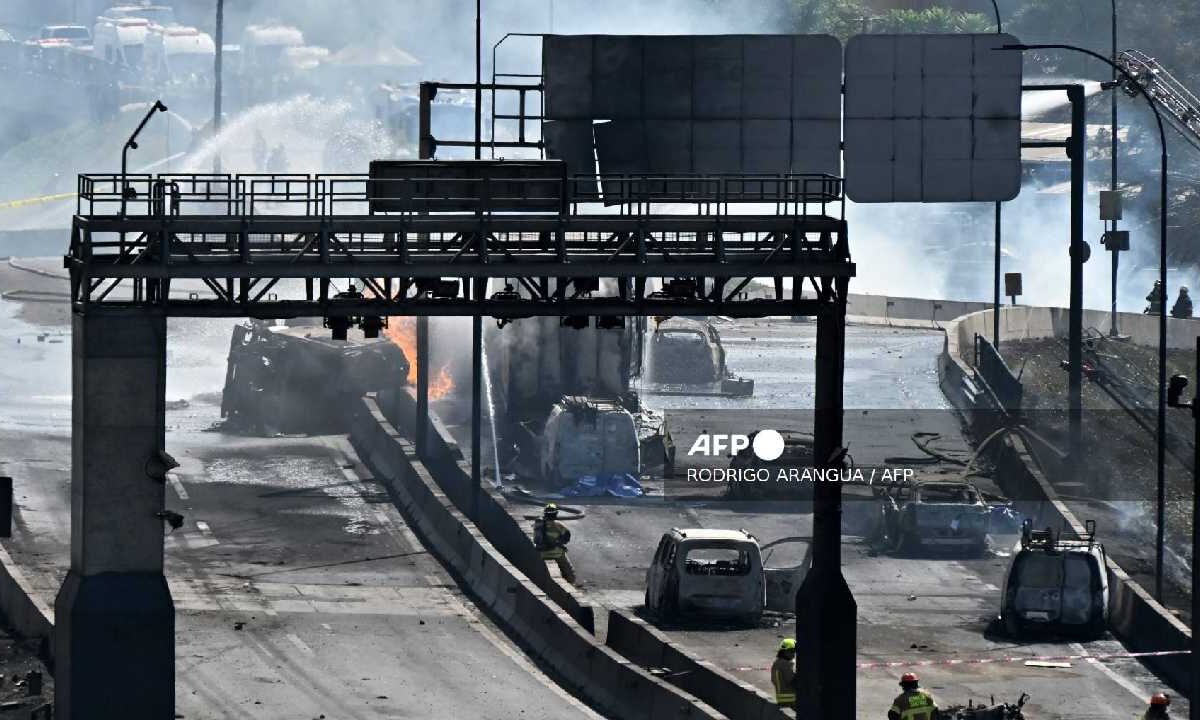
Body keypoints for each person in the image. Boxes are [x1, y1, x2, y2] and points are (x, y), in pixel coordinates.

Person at [532, 503, 575, 583]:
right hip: (557, 554)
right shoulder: (558, 525)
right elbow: (567, 537)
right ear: (555, 514)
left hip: (542, 554)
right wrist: (559, 542)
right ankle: (570, 584)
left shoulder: (538, 524)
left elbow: (535, 540)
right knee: (570, 573)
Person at [770, 638, 796, 708]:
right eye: (791, 651)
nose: (793, 654)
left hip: (782, 701)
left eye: (794, 651)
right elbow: (792, 682)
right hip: (791, 701)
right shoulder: (785, 664)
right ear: (784, 651)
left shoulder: (776, 663)